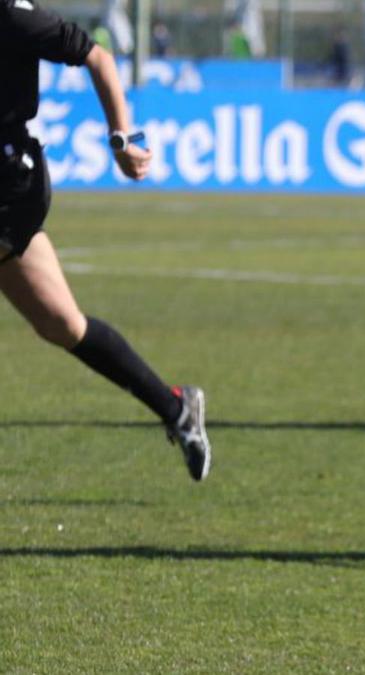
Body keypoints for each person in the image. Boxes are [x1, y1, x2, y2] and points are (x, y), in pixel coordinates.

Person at [0, 0, 211, 481]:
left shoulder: (12, 16)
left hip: (10, 186)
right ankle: (176, 407)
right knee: (62, 325)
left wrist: (122, 139)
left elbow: (98, 56)